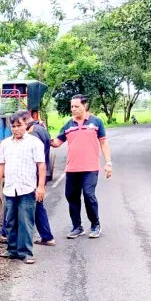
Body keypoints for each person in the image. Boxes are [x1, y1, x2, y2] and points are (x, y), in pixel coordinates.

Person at [51, 95, 112, 239]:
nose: (73, 109)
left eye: (76, 106)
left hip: (90, 168)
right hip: (72, 169)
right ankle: (77, 227)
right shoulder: (68, 125)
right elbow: (57, 143)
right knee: (71, 196)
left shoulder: (96, 122)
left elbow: (104, 143)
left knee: (89, 195)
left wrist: (108, 163)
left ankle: (95, 225)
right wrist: (43, 134)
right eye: (71, 106)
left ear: (85, 106)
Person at [0, 113, 45, 264]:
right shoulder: (6, 143)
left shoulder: (34, 143)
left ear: (26, 124)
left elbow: (41, 165)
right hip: (10, 189)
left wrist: (40, 187)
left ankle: (26, 252)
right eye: (13, 126)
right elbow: (1, 166)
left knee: (26, 221)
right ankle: (12, 249)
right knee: (10, 220)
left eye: (19, 125)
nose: (15, 129)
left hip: (27, 188)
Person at [27, 110, 55, 246]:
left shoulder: (32, 135)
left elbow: (37, 160)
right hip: (40, 176)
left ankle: (5, 234)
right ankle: (47, 236)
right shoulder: (42, 129)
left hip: (35, 176)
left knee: (17, 204)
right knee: (37, 206)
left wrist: (40, 185)